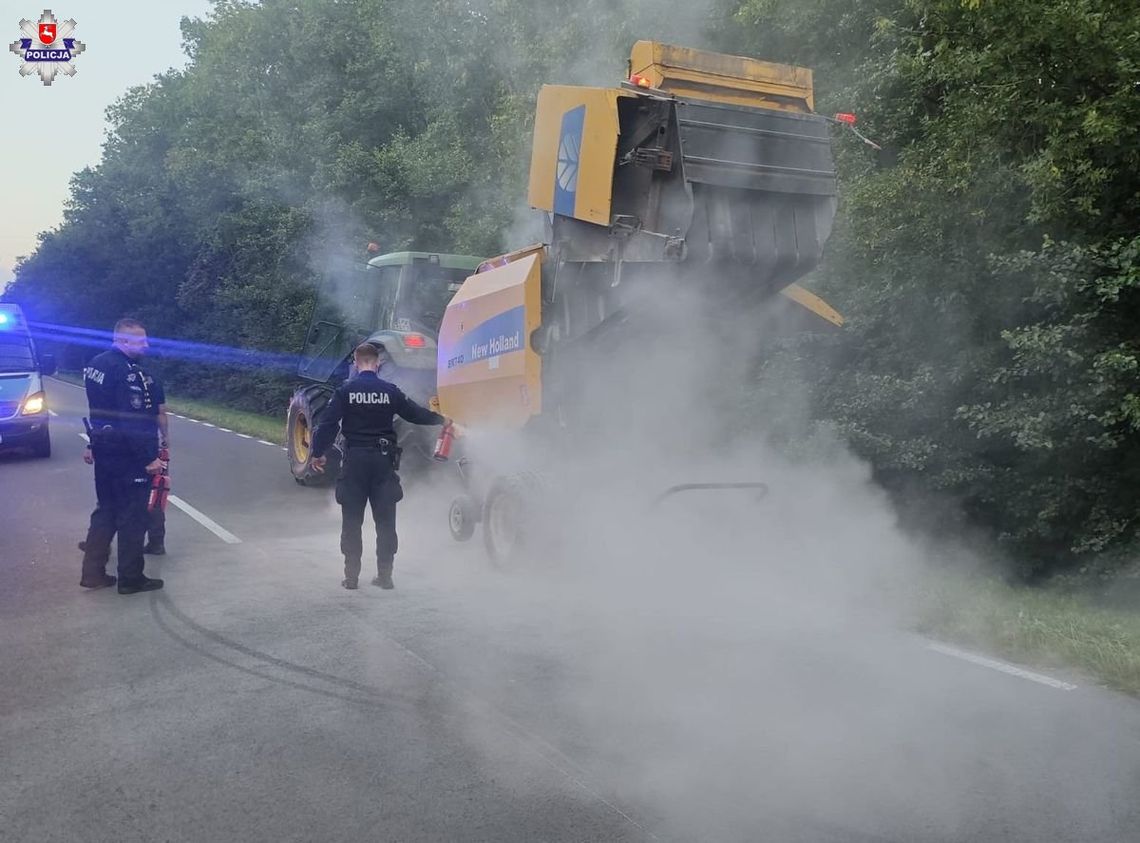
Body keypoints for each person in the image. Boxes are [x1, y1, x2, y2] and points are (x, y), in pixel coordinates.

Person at [310, 341, 449, 590]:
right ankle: (385, 576)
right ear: (378, 363)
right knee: (386, 520)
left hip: (354, 463)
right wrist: (442, 419)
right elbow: (415, 414)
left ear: (356, 362)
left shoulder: (345, 391)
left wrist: (318, 453)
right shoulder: (390, 390)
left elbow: (328, 425)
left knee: (352, 520)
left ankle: (351, 577)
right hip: (383, 462)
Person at [79, 318, 166, 594]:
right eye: (141, 340)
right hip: (128, 456)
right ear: (124, 340)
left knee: (105, 510)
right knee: (133, 516)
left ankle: (92, 573)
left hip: (104, 451)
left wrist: (93, 445)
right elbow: (132, 419)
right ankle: (131, 577)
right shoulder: (127, 373)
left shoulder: (95, 365)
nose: (146, 345)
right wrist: (148, 457)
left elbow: (100, 412)